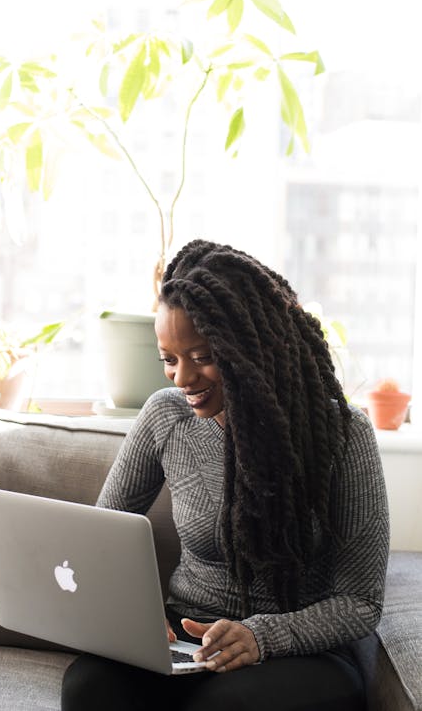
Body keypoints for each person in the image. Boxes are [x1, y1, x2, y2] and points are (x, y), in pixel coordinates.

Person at [62, 239, 389, 711]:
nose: (181, 378)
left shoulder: (343, 435)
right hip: (186, 635)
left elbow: (361, 601)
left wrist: (261, 636)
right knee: (88, 689)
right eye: (169, 360)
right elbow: (99, 535)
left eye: (202, 356)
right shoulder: (165, 418)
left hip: (296, 651)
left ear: (251, 348)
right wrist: (132, 613)